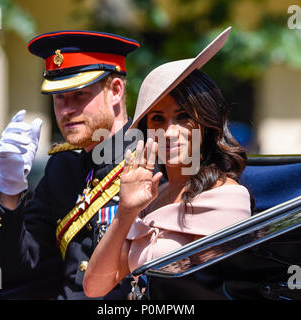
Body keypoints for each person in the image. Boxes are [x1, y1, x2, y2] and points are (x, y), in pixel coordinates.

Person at [83, 27, 252, 299]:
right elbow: (95, 287)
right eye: (158, 119)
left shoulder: (228, 198)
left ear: (206, 124)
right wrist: (125, 212)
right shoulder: (150, 197)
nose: (170, 132)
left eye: (183, 116)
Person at [0, 30, 141, 299]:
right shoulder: (62, 168)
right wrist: (9, 189)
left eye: (79, 95)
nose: (66, 110)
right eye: (59, 97)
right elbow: (8, 271)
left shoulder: (150, 159)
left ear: (115, 91)